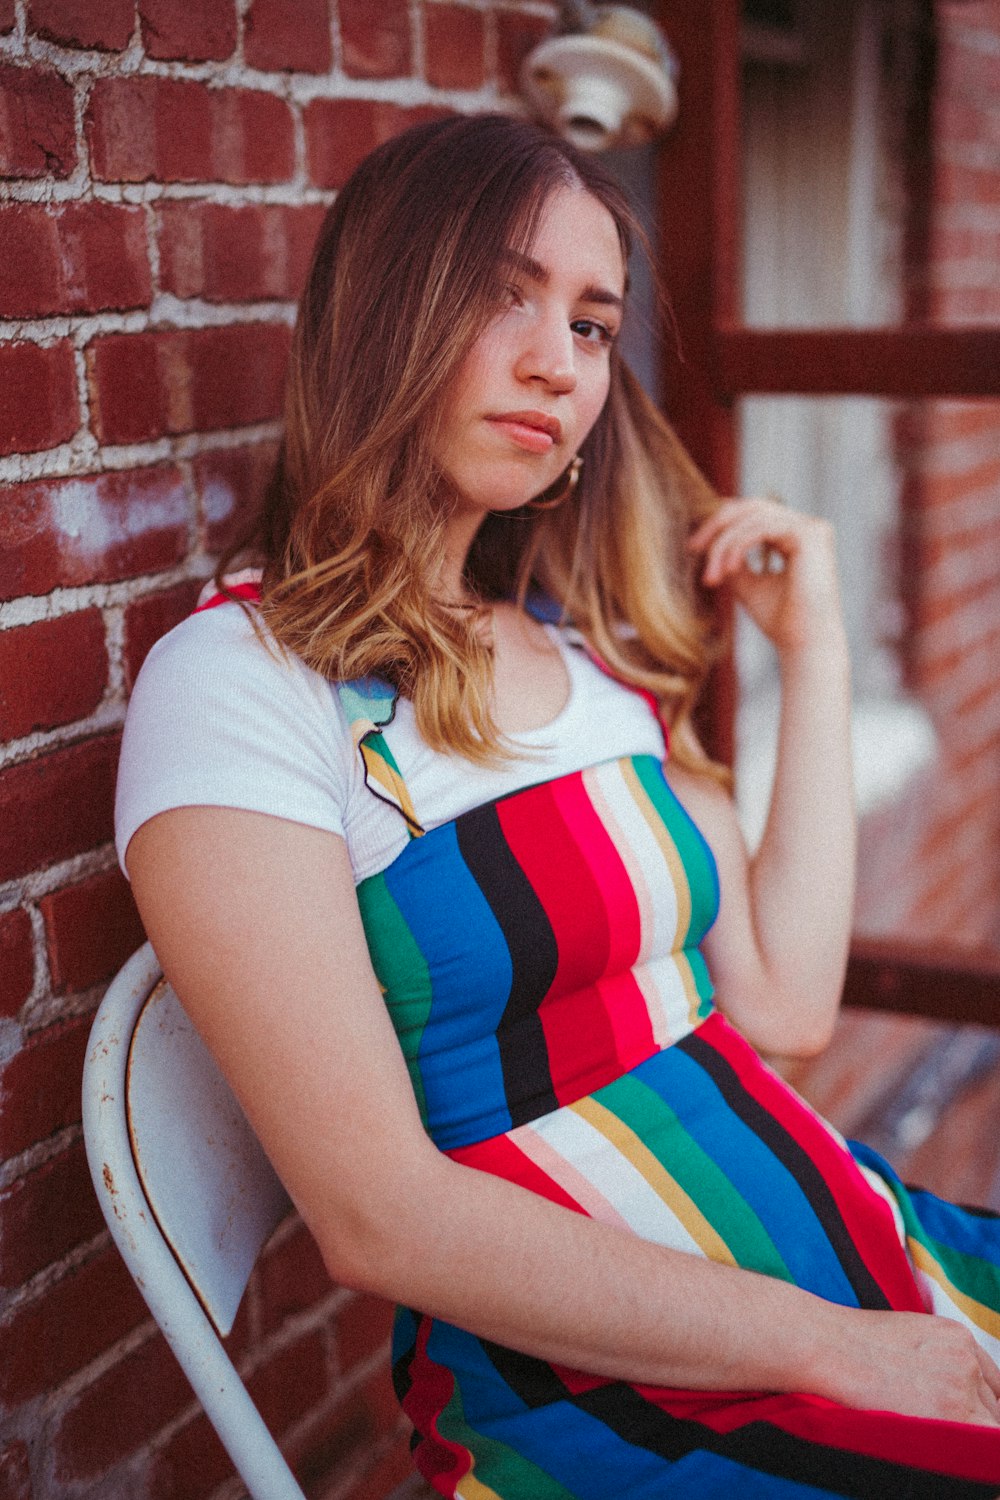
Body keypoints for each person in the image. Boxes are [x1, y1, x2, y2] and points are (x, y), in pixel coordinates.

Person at [116, 114, 1000, 1497]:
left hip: (848, 1250)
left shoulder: (585, 668)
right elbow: (378, 1218)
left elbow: (784, 1005)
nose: (557, 363)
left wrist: (815, 654)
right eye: (503, 296)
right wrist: (835, 1353)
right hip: (611, 1401)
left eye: (593, 325)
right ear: (383, 314)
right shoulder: (243, 687)